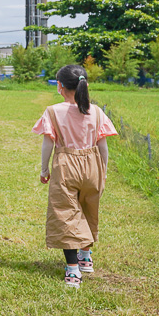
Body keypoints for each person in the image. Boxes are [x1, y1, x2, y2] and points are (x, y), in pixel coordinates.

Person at [32, 64, 117, 288]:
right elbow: (103, 145)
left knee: (65, 213)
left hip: (66, 164)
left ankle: (72, 270)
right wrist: (103, 171)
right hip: (92, 163)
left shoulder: (53, 111)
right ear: (84, 85)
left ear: (59, 86)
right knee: (89, 207)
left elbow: (47, 144)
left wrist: (44, 169)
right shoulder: (96, 111)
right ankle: (86, 257)